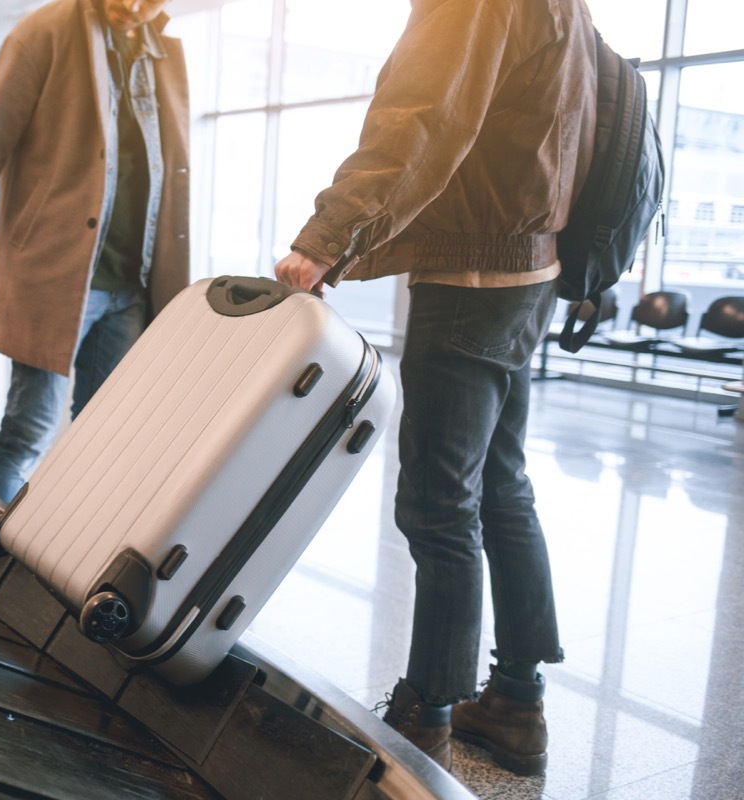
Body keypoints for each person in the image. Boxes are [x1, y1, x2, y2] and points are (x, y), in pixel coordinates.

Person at [273, 0, 598, 775]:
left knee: (437, 500)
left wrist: (326, 239)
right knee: (499, 485)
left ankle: (425, 716)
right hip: (531, 267)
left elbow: (421, 116)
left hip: (474, 271)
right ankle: (517, 704)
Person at [0, 0, 190, 503]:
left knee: (103, 440)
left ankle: (67, 547)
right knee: (29, 430)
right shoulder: (45, 32)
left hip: (134, 284)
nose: (137, 6)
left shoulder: (163, 48)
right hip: (58, 279)